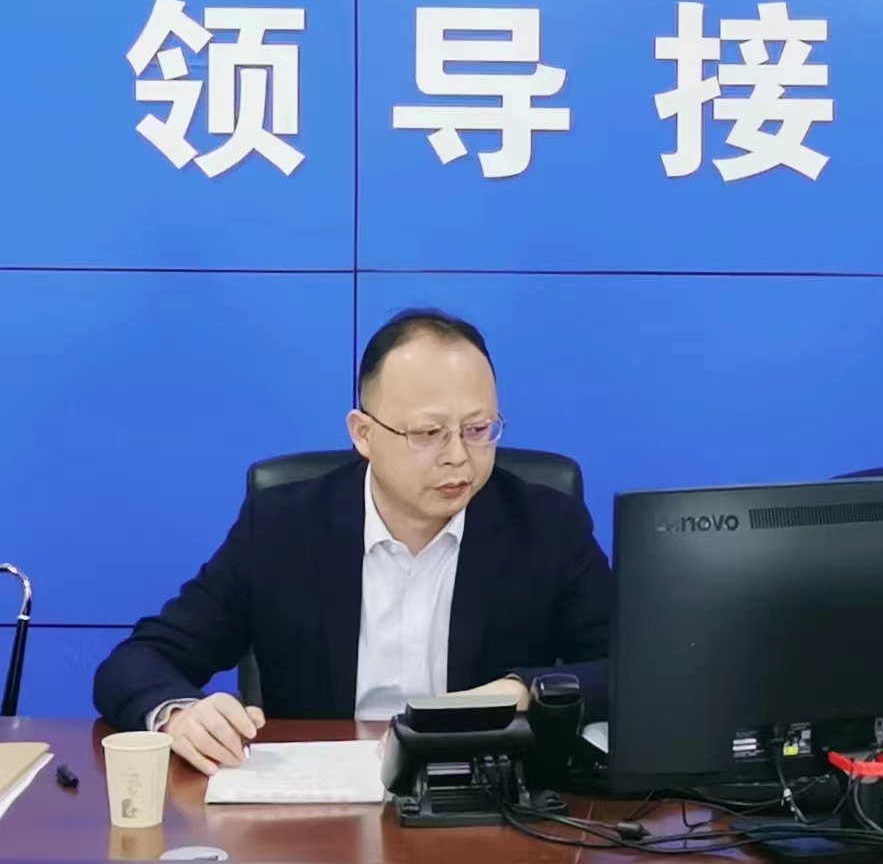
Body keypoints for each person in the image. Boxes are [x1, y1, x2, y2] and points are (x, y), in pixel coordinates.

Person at [94, 309, 612, 775]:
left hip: (485, 800)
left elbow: (629, 672)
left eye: (478, 430)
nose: (458, 456)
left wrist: (524, 691)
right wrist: (181, 715)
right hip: (318, 809)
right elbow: (138, 662)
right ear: (363, 433)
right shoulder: (281, 528)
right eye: (428, 433)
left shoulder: (546, 525)